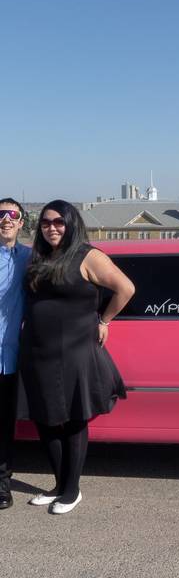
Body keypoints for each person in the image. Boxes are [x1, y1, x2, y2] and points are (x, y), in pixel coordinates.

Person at [19, 200, 134, 515]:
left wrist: (105, 321)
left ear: (71, 223)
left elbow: (125, 288)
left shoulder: (88, 256)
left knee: (72, 419)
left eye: (59, 222)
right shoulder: (38, 257)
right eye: (45, 222)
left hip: (74, 352)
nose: (51, 227)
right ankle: (58, 484)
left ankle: (72, 490)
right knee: (44, 419)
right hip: (36, 351)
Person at [0, 198, 30, 509]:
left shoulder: (30, 258)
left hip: (12, 359)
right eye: (1, 214)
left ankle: (2, 485)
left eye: (13, 214)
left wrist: (101, 319)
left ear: (21, 222)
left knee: (4, 426)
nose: (6, 219)